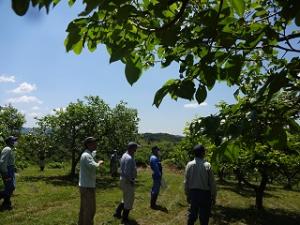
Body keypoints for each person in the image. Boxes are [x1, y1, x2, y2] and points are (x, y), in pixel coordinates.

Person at [184, 144, 217, 225]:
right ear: (203, 153)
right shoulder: (207, 165)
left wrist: (187, 194)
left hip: (193, 194)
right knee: (204, 217)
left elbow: (186, 182)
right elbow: (212, 183)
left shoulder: (189, 165)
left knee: (192, 215)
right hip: (205, 195)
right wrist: (213, 196)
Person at [78, 137, 104, 225]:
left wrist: (95, 155)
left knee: (84, 209)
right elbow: (93, 166)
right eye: (94, 143)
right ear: (88, 145)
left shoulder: (87, 154)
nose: (96, 145)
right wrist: (99, 163)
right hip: (87, 187)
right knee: (90, 210)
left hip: (85, 185)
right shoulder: (86, 156)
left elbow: (92, 155)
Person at [113, 142, 138, 223]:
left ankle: (117, 213)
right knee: (129, 200)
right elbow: (127, 173)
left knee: (125, 198)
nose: (136, 150)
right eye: (135, 148)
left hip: (123, 179)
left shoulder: (125, 154)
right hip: (127, 180)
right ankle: (125, 219)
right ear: (131, 148)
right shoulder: (129, 158)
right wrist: (131, 181)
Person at [0, 136, 18, 211]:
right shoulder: (7, 149)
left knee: (11, 187)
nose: (15, 142)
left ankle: (6, 203)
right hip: (7, 170)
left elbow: (10, 161)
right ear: (10, 142)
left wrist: (14, 167)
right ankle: (6, 202)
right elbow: (2, 162)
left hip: (10, 169)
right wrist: (5, 172)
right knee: (10, 187)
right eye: (14, 140)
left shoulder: (10, 149)